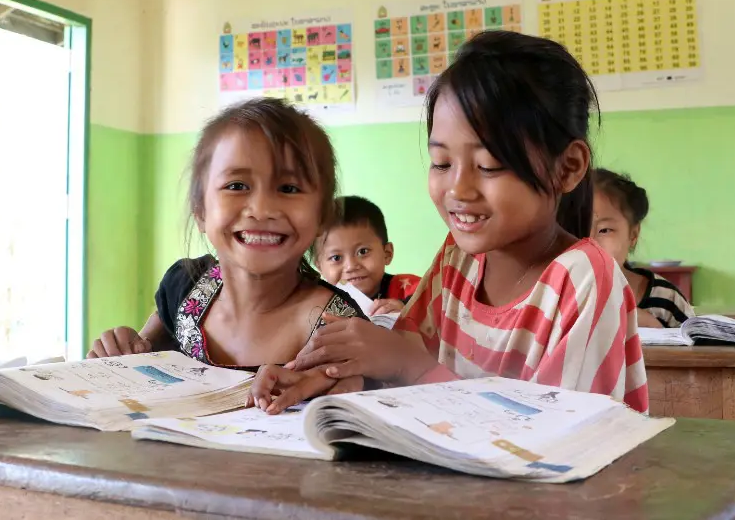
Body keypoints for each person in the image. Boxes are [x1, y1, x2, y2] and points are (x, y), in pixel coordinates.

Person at [250, 31, 647, 414]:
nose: (459, 188)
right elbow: (401, 358)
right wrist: (336, 374)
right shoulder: (459, 259)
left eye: (489, 165)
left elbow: (551, 440)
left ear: (568, 168)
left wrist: (411, 366)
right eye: (442, 163)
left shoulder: (582, 280)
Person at [86, 99, 366, 389]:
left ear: (323, 217)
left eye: (288, 188)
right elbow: (142, 349)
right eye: (237, 186)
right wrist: (122, 348)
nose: (261, 209)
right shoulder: (185, 286)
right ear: (201, 210)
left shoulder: (337, 326)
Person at [591, 168, 694, 328]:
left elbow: (696, 349)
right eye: (573, 229)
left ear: (632, 235)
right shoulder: (551, 298)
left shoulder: (666, 299)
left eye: (604, 230)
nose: (589, 243)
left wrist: (657, 330)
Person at [314, 196, 421, 316]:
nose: (351, 266)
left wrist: (407, 310)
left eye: (363, 251)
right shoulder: (320, 308)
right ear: (320, 267)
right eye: (336, 258)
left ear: (387, 253)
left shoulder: (409, 288)